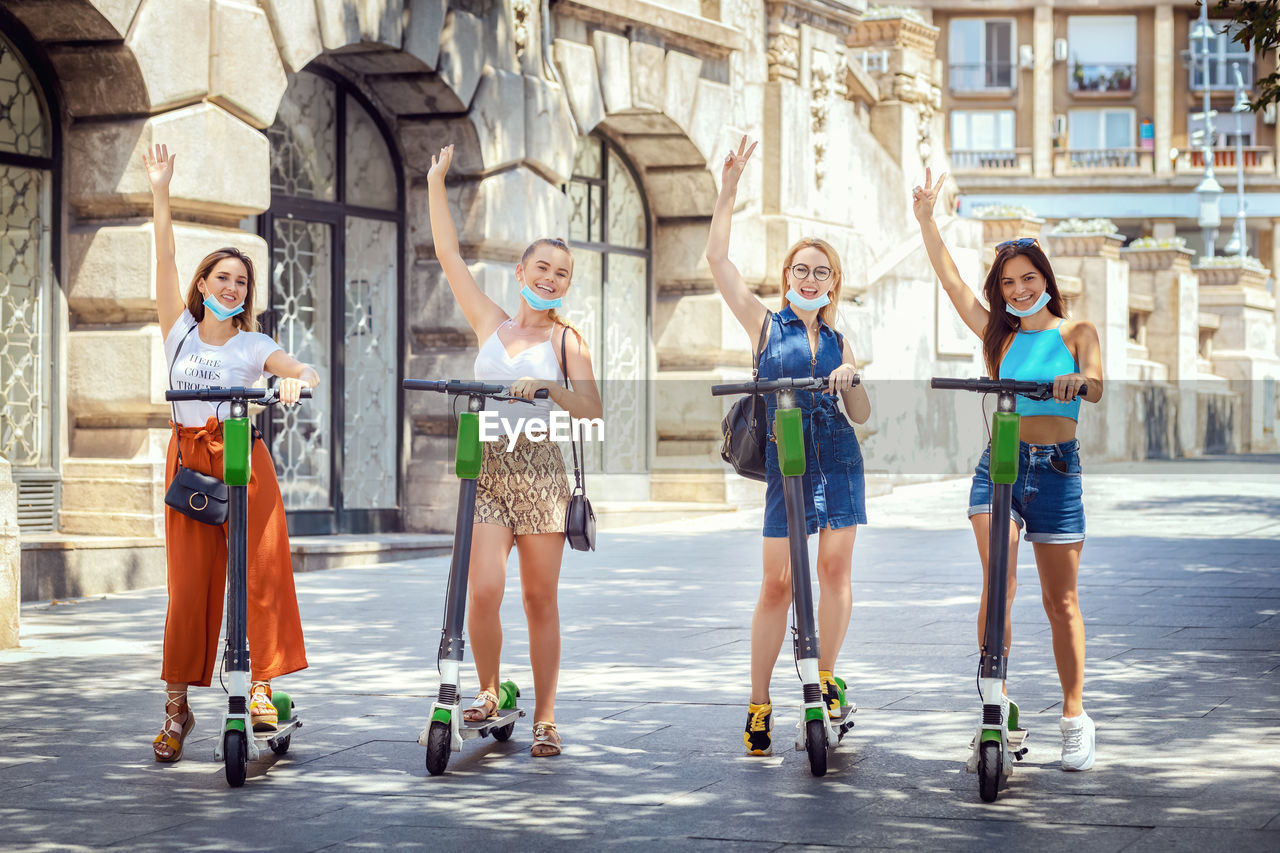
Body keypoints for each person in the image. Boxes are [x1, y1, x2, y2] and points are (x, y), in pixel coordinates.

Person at [912, 168, 1103, 771]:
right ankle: (995, 711)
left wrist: (1076, 380)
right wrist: (926, 219)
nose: (1019, 290)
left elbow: (1095, 387)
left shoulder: (1077, 331)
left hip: (1057, 470)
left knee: (1060, 602)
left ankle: (1074, 717)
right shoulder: (997, 336)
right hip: (997, 466)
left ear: (1046, 278)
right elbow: (950, 283)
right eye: (1009, 283)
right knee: (999, 586)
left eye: (1029, 278)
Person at [426, 144, 603, 757]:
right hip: (486, 467)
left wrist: (551, 387)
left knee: (538, 599)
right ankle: (492, 690)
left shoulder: (567, 338)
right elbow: (448, 255)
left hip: (540, 469)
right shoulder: (492, 324)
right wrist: (435, 182)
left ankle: (546, 718)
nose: (552, 278)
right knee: (481, 591)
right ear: (523, 271)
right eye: (544, 267)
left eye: (562, 273)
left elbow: (592, 406)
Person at [146, 144, 317, 763]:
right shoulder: (179, 331)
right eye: (222, 277)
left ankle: (261, 690)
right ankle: (177, 709)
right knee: (189, 589)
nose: (232, 285)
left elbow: (298, 367)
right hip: (190, 460)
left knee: (258, 577)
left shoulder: (253, 343)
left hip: (244, 458)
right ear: (203, 284)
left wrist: (296, 378)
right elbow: (163, 256)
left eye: (241, 281)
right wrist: (161, 191)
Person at [706, 137, 872, 756]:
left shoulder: (840, 337)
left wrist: (852, 380)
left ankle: (826, 680)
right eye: (800, 269)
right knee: (776, 584)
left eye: (821, 271)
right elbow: (718, 261)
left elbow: (860, 414)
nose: (810, 277)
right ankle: (759, 702)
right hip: (787, 463)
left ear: (834, 284)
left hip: (840, 459)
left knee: (833, 572)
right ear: (786, 279)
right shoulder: (764, 324)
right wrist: (728, 188)